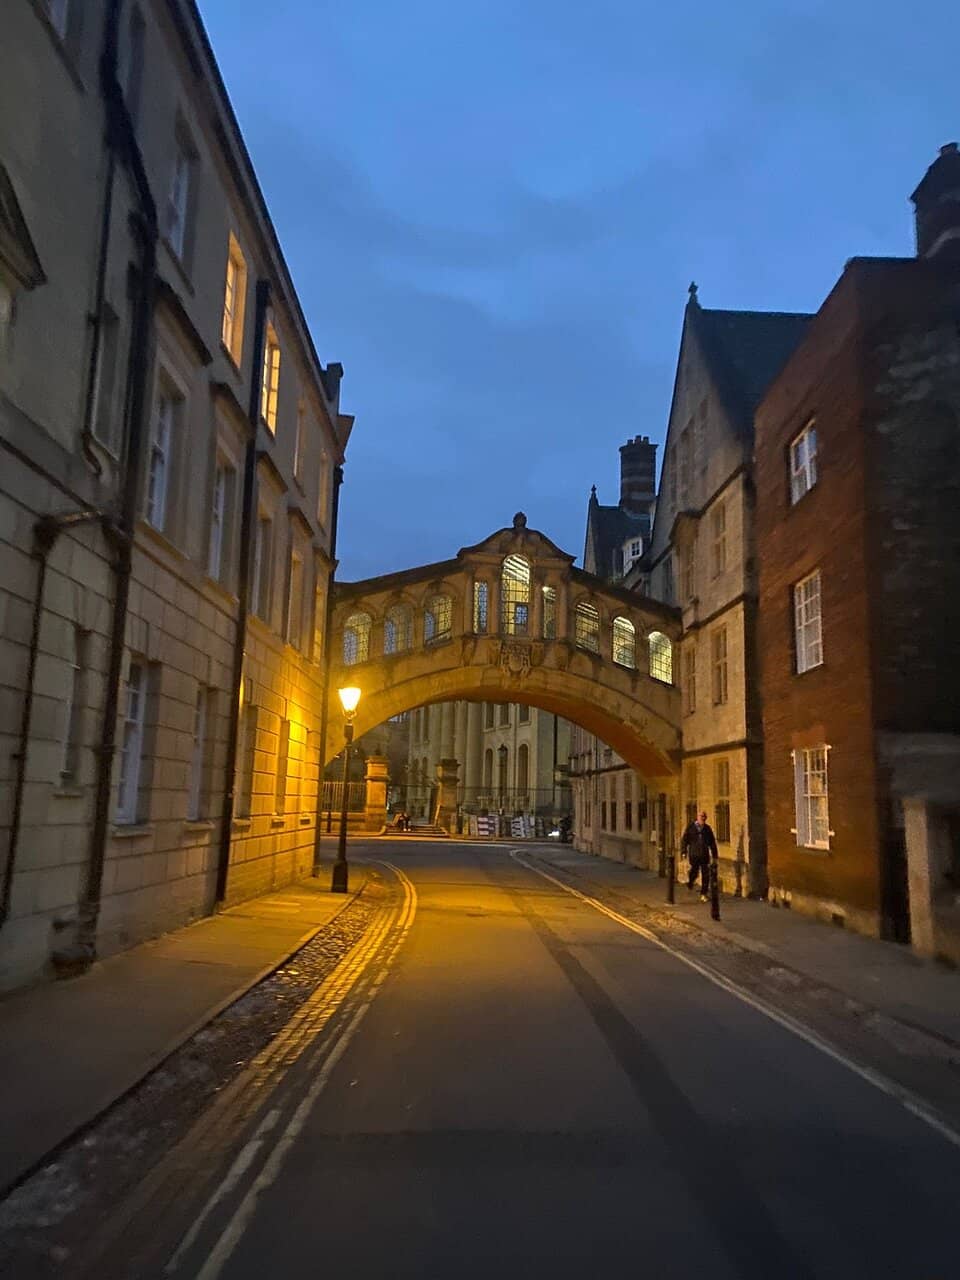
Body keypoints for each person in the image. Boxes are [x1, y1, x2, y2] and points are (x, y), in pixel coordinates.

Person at [681, 809, 718, 901]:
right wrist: (683, 851)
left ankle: (703, 893)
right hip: (694, 854)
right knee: (694, 871)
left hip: (704, 854)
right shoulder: (691, 827)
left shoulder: (707, 829)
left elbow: (712, 842)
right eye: (701, 816)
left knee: (706, 874)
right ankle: (690, 883)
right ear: (697, 817)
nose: (703, 818)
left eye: (704, 817)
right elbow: (685, 840)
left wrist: (715, 855)